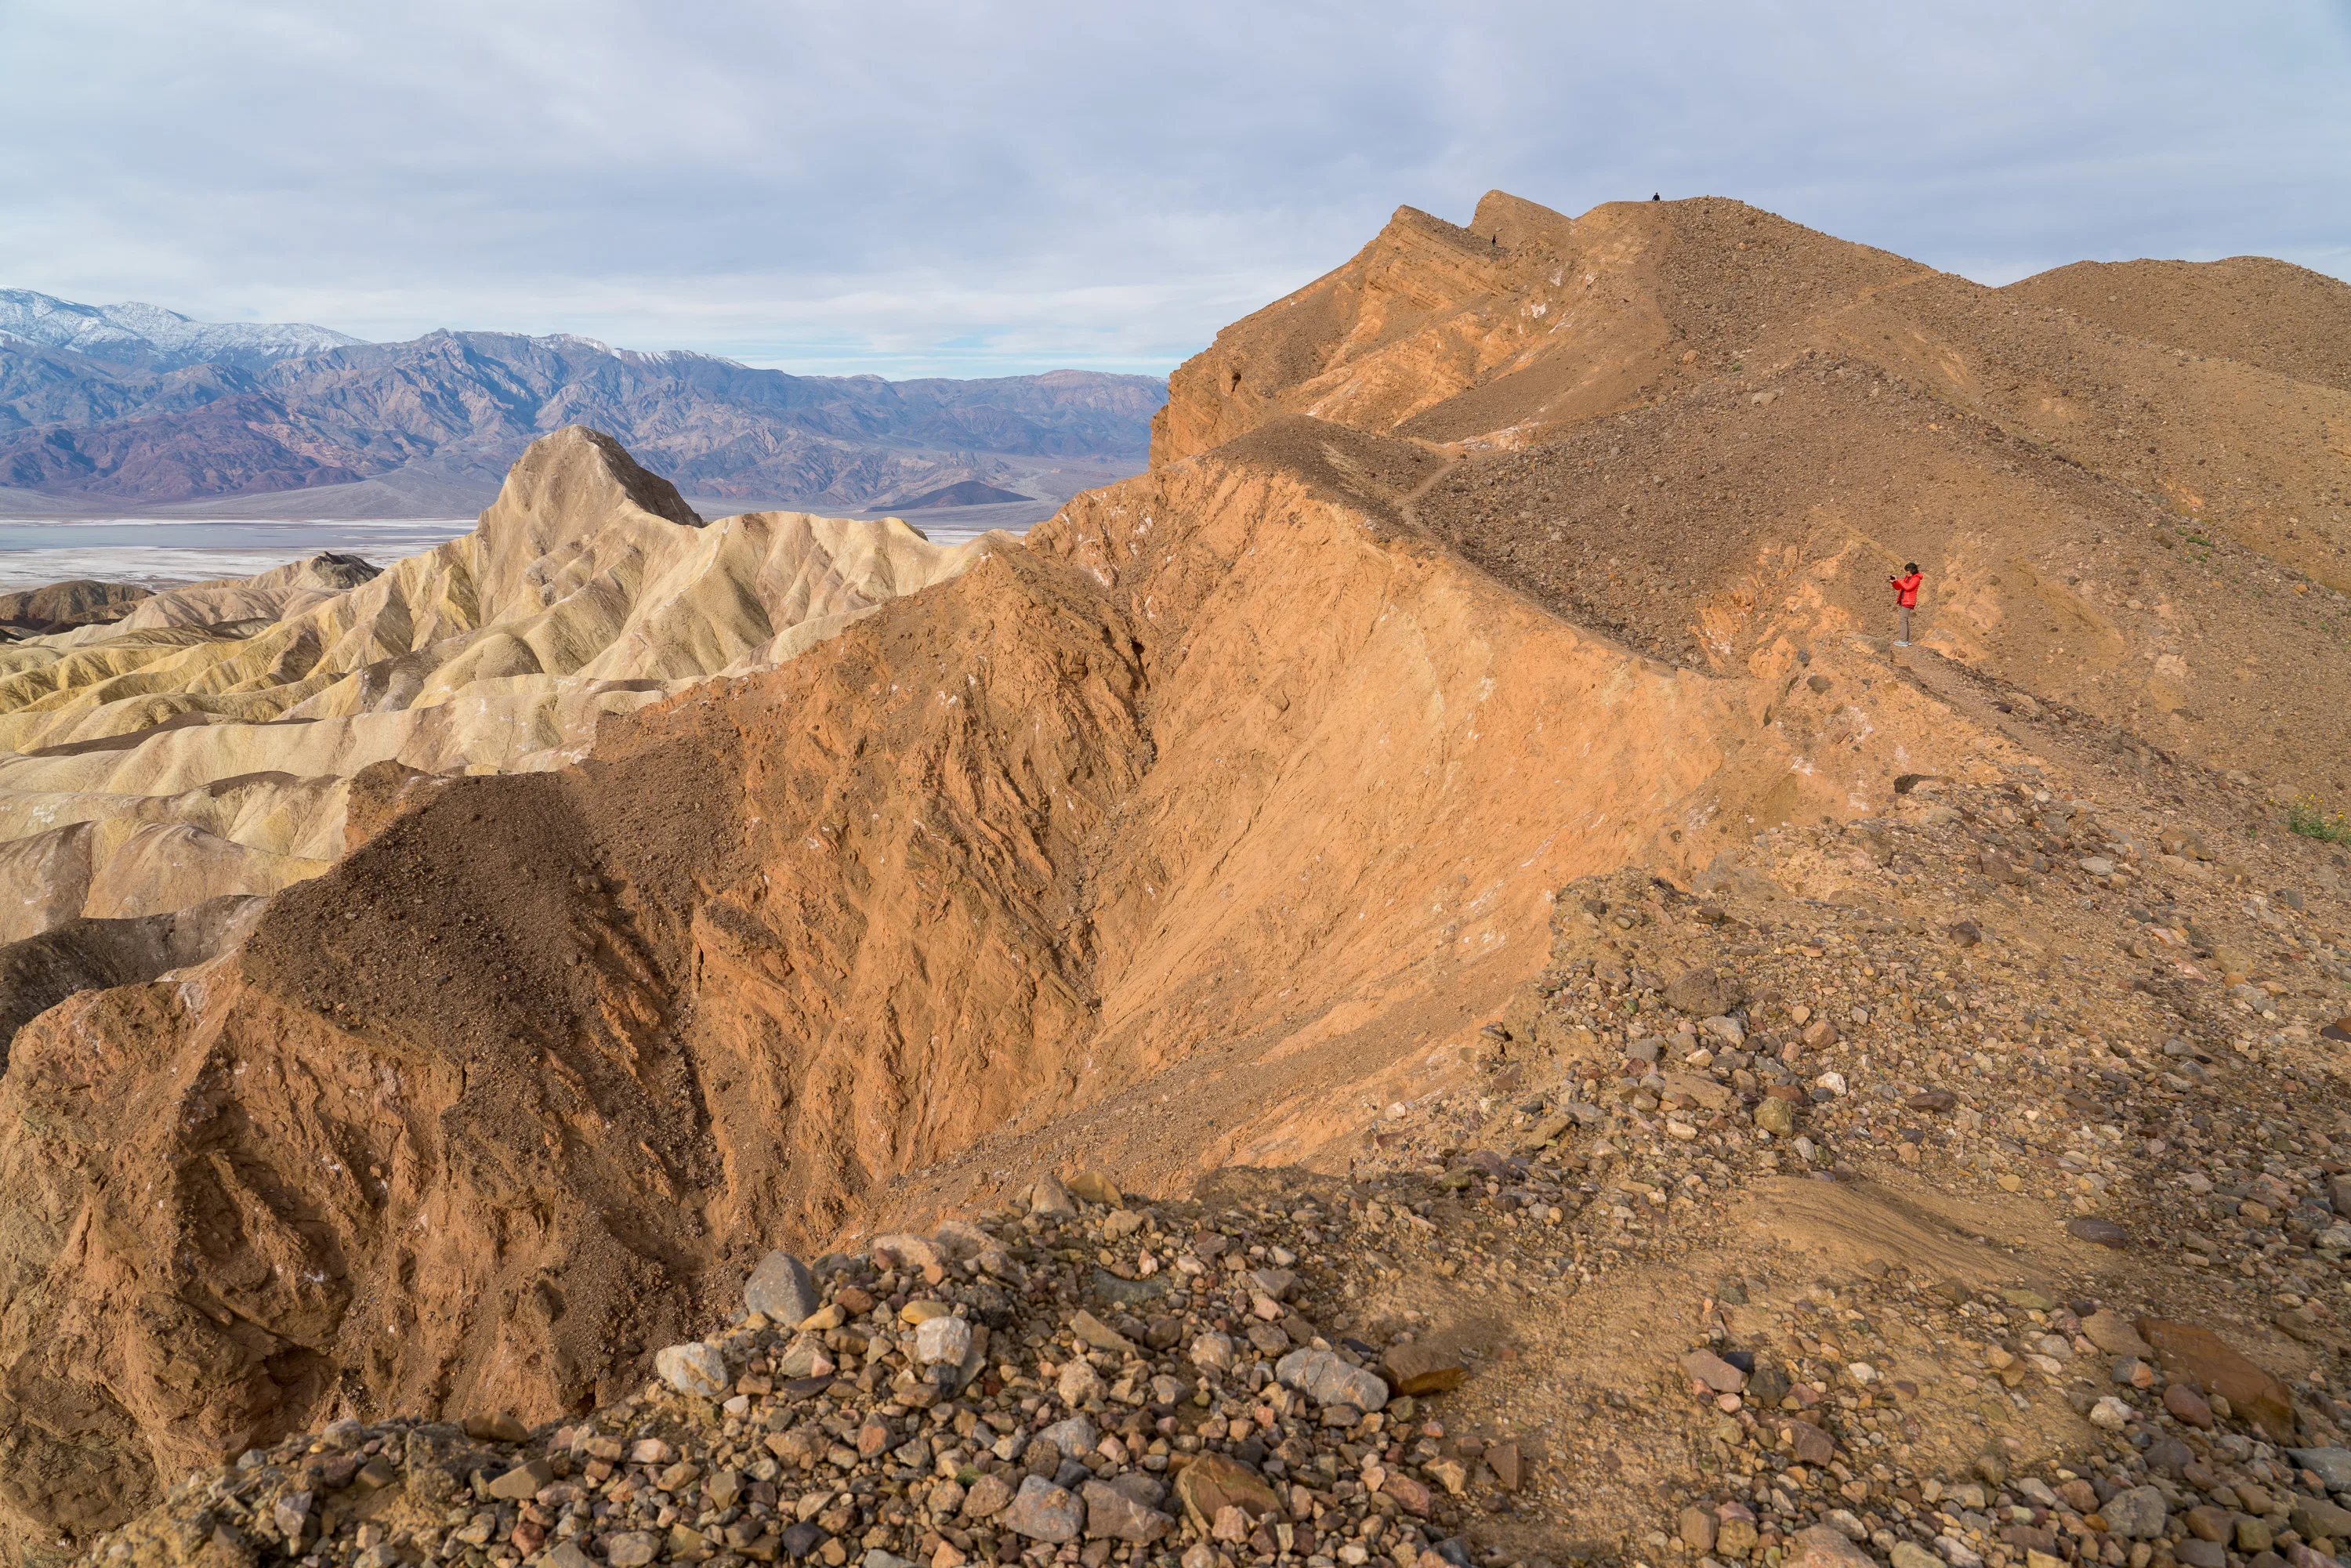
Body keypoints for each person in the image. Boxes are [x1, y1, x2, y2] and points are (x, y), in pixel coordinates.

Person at [1889, 562, 1922, 646]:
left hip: (1909, 601)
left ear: (1912, 570)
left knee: (1903, 620)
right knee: (1905, 620)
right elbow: (1899, 587)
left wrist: (1899, 580)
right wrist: (1894, 582)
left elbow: (1908, 588)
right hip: (1904, 601)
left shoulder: (1916, 579)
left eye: (1907, 570)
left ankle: (1904, 640)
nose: (1906, 572)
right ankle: (1907, 641)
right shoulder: (1908, 578)